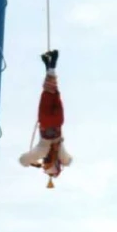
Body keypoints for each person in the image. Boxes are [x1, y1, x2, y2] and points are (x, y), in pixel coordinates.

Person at [19, 49, 72, 188]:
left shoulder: (58, 152)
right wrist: (31, 163)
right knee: (49, 93)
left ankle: (50, 66)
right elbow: (23, 160)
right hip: (46, 121)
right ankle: (50, 66)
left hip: (57, 122)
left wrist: (33, 162)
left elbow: (68, 161)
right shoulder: (43, 150)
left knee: (53, 93)